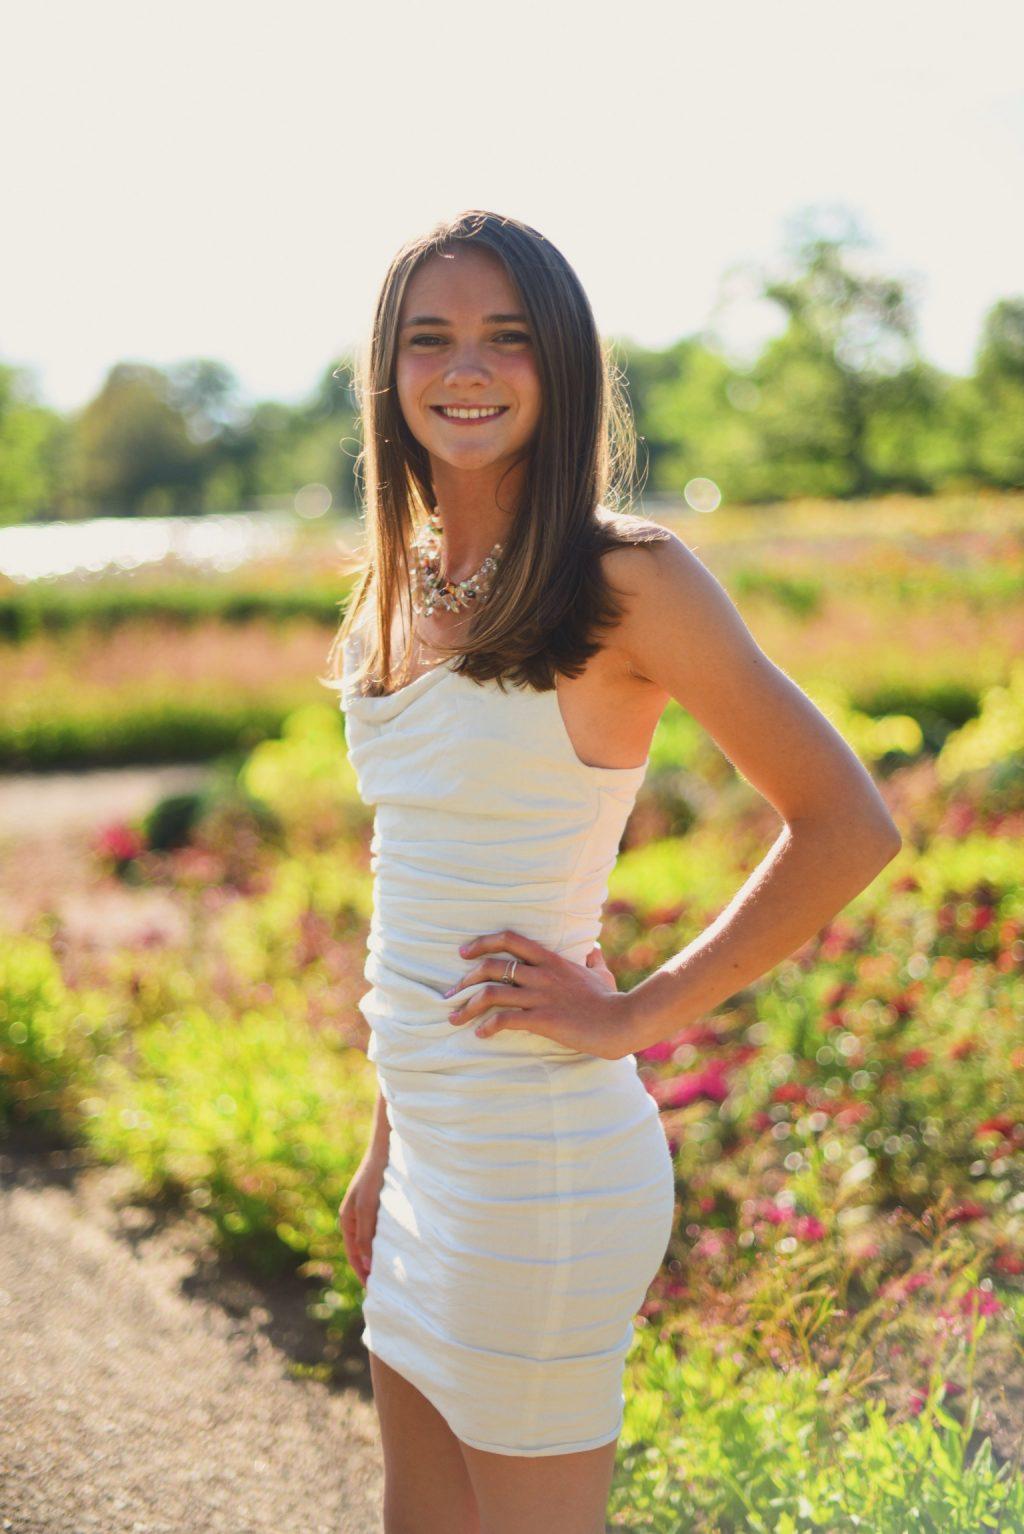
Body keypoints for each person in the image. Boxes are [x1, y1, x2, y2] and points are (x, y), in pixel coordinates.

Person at [329, 209, 901, 1534]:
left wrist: (635, 1012)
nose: (465, 367)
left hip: (543, 1163)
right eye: (431, 338)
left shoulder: (627, 578)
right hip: (429, 1160)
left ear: (562, 363)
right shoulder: (392, 587)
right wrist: (385, 1146)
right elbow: (418, 894)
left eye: (504, 336)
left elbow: (846, 822)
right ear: (389, 371)